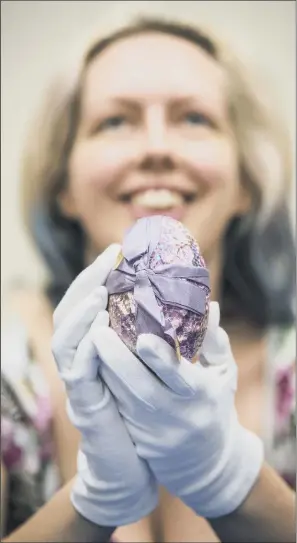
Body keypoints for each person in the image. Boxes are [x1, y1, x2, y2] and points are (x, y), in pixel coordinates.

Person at [1, 12, 295, 543]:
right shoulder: (9, 377)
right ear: (63, 182)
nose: (156, 148)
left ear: (247, 180)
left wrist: (232, 479)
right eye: (115, 121)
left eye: (195, 119)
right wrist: (97, 500)